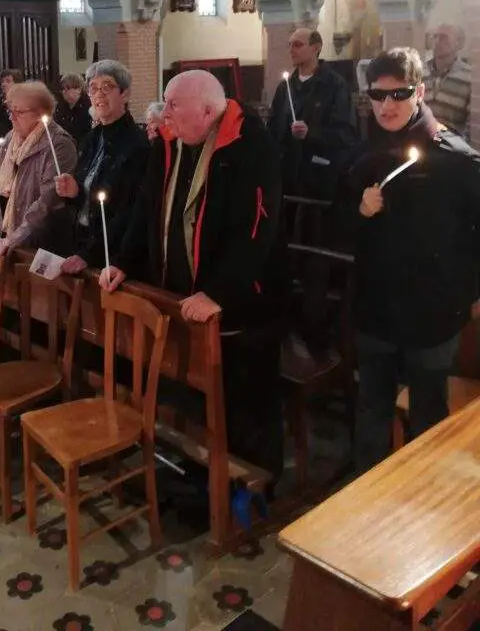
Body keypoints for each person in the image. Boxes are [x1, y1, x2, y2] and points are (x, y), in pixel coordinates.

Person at [100, 70, 285, 475]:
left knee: (244, 400)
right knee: (192, 394)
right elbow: (146, 208)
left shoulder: (251, 145)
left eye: (173, 105)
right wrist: (123, 261)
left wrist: (219, 292)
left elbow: (257, 228)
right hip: (180, 294)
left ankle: (252, 487)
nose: (164, 113)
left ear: (207, 110)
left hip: (242, 305)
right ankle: (197, 475)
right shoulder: (169, 143)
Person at [351, 47, 480, 473]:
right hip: (376, 313)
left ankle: (425, 499)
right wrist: (359, 209)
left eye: (399, 94)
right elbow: (337, 223)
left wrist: (465, 298)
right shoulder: (368, 153)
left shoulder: (456, 159)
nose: (386, 105)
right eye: (377, 95)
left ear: (420, 91)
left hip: (431, 317)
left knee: (427, 420)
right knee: (371, 413)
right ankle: (367, 494)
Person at [53, 61, 148, 274]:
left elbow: (128, 211)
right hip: (82, 242)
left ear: (125, 93)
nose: (98, 94)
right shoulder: (91, 140)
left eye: (107, 87)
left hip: (111, 255)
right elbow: (87, 197)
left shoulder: (137, 145)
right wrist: (74, 191)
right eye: (93, 88)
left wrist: (90, 255)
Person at [0, 81, 77, 257]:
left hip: (40, 245)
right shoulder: (11, 138)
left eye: (19, 112)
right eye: (10, 111)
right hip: (6, 236)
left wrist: (15, 238)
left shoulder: (59, 144)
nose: (11, 118)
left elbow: (47, 201)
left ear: (41, 113)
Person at [268, 28, 357, 201]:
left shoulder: (335, 85)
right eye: (289, 45)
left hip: (320, 179)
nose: (291, 50)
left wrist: (311, 133)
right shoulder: (285, 87)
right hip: (288, 179)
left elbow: (346, 134)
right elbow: (273, 130)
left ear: (316, 48)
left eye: (298, 45)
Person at [423, 23, 472, 138]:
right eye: (435, 37)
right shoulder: (420, 72)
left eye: (443, 37)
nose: (437, 41)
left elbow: (470, 124)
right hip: (419, 141)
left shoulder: (468, 77)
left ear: (459, 43)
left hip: (452, 143)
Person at [53, 73, 92, 147]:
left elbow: (88, 133)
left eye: (67, 88)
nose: (64, 92)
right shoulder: (60, 106)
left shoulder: (88, 107)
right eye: (63, 89)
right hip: (63, 145)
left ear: (79, 89)